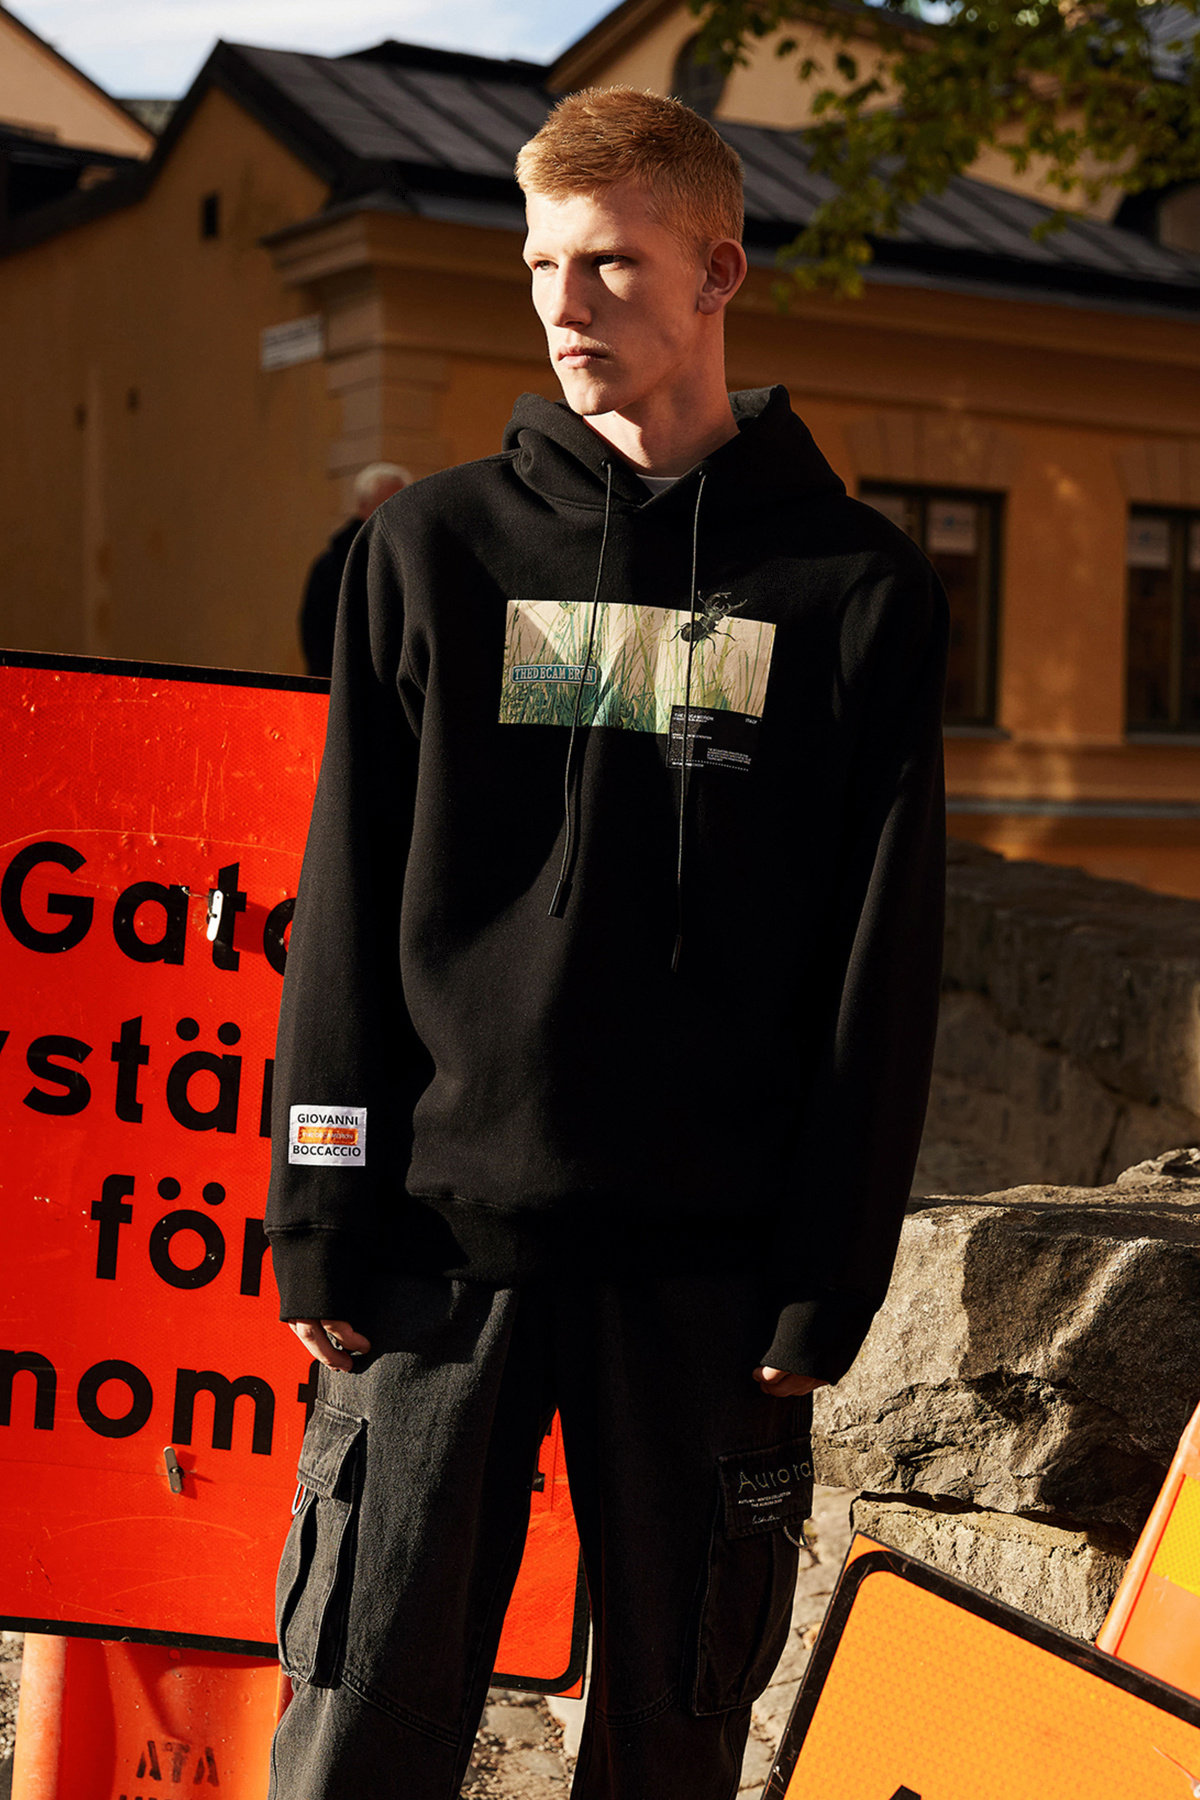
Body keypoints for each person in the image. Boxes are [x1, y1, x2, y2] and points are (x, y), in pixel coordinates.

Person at [265, 86, 947, 1800]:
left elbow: (881, 961)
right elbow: (341, 904)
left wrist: (828, 1271)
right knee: (357, 1728)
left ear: (718, 273)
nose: (565, 307)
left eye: (613, 266)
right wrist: (319, 1209)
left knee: (671, 1744)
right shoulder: (428, 552)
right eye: (541, 265)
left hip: (709, 1280)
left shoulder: (853, 590)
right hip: (436, 1258)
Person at [298, 462, 410, 676]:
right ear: (363, 507)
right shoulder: (332, 566)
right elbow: (317, 636)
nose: (397, 515)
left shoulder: (410, 557)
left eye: (403, 505)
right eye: (386, 504)